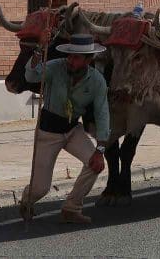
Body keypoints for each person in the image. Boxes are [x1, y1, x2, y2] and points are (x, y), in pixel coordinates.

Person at [19, 32, 109, 225]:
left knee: (95, 164)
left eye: (76, 57)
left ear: (88, 60)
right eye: (70, 55)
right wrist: (38, 50)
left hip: (72, 130)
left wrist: (100, 149)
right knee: (41, 188)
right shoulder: (56, 67)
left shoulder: (97, 81)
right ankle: (27, 201)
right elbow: (31, 75)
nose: (70, 60)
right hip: (47, 132)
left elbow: (103, 115)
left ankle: (72, 207)